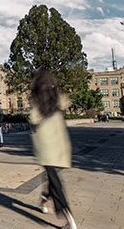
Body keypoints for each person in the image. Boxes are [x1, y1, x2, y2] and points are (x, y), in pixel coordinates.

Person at [29, 68, 77, 229]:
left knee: (55, 181)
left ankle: (67, 213)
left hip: (46, 147)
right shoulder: (57, 100)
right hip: (60, 145)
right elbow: (65, 102)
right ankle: (44, 197)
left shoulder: (38, 103)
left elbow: (33, 119)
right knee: (51, 175)